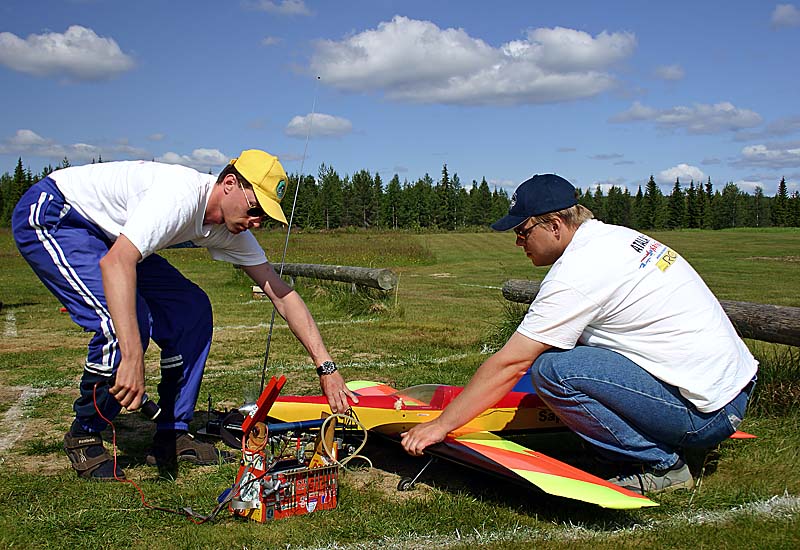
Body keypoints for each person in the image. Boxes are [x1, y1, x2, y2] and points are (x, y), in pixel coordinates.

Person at [401, 173, 758, 495]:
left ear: (555, 225)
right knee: (564, 354)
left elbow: (512, 364)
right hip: (729, 392)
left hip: (705, 414)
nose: (518, 242)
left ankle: (661, 464)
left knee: (552, 371)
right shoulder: (613, 238)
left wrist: (441, 425)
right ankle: (643, 441)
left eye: (523, 231)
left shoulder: (576, 273)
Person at [12, 149, 358, 480]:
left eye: (264, 217)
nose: (256, 222)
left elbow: (281, 294)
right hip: (59, 215)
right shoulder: (179, 197)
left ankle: (171, 432)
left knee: (192, 311)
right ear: (229, 183)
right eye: (255, 209)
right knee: (123, 323)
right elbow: (117, 263)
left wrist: (326, 368)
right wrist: (133, 357)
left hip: (113, 238)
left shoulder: (232, 229)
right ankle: (85, 433)